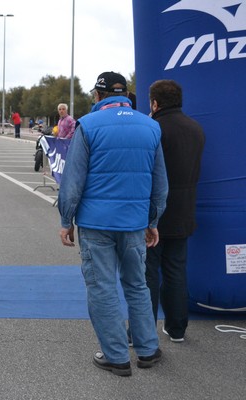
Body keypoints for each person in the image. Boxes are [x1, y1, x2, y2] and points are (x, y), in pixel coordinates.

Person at [58, 72, 168, 377]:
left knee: (102, 287)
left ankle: (116, 355)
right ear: (127, 95)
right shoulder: (151, 126)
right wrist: (153, 220)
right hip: (134, 222)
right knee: (137, 285)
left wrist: (66, 220)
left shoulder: (88, 125)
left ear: (97, 96)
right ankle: (147, 349)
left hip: (96, 224)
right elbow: (160, 184)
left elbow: (73, 180)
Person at [145, 79, 205, 343]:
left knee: (147, 273)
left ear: (155, 103)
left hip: (154, 213)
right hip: (184, 211)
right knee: (176, 270)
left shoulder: (153, 128)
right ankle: (177, 328)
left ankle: (143, 330)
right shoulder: (196, 129)